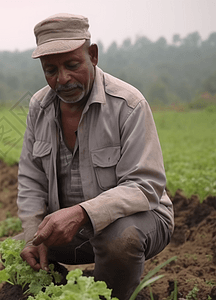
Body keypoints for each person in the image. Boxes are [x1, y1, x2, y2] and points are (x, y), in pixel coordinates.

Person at [17, 13, 174, 300]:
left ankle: (117, 295)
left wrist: (81, 213)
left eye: (73, 65)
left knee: (120, 239)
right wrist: (31, 236)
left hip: (140, 220)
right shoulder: (39, 106)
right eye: (50, 70)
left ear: (93, 55)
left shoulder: (128, 104)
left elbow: (146, 185)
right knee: (18, 255)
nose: (62, 79)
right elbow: (31, 179)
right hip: (72, 231)